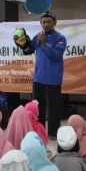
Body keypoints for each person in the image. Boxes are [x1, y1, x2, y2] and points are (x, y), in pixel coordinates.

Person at [21, 11, 67, 140]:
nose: (46, 24)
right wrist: (21, 42)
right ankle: (38, 131)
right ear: (40, 23)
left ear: (54, 23)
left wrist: (45, 44)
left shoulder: (60, 38)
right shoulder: (38, 36)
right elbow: (27, 50)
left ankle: (53, 133)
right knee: (37, 107)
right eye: (43, 22)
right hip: (38, 78)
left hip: (53, 79)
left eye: (49, 22)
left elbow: (57, 55)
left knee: (53, 107)